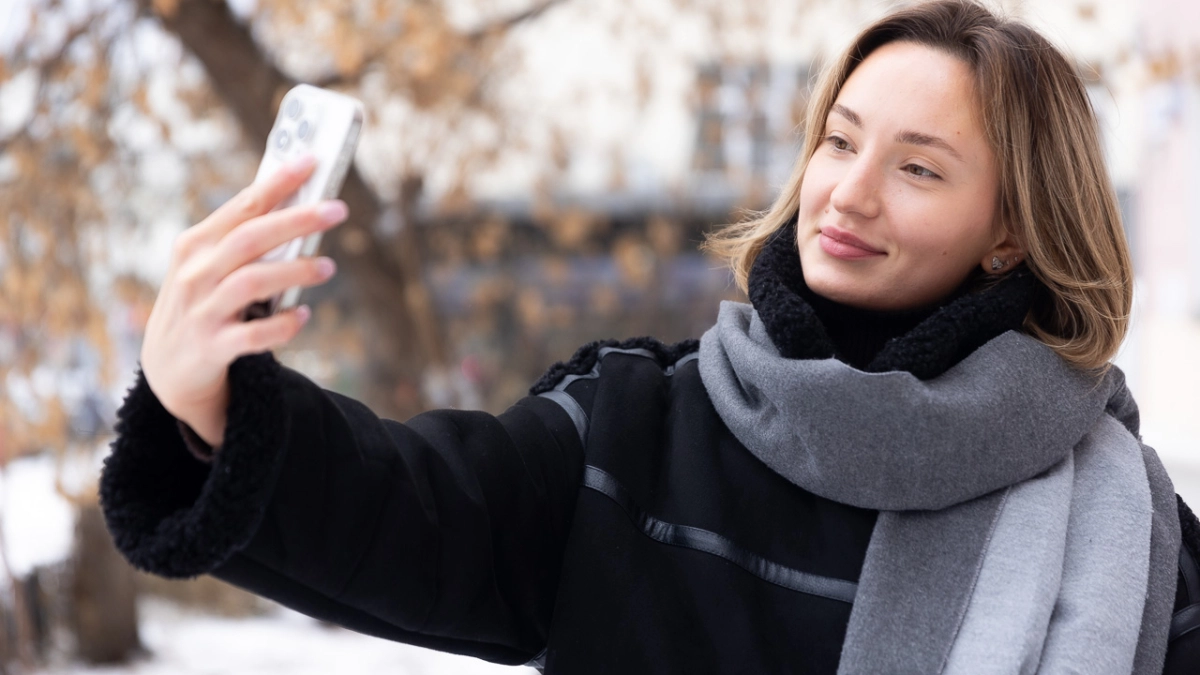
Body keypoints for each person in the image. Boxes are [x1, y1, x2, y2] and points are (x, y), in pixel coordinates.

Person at [100, 1, 1200, 673]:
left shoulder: (1123, 526)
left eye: (917, 167)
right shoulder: (642, 427)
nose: (846, 196)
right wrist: (209, 405)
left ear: (1010, 235)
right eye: (839, 142)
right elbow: (419, 511)